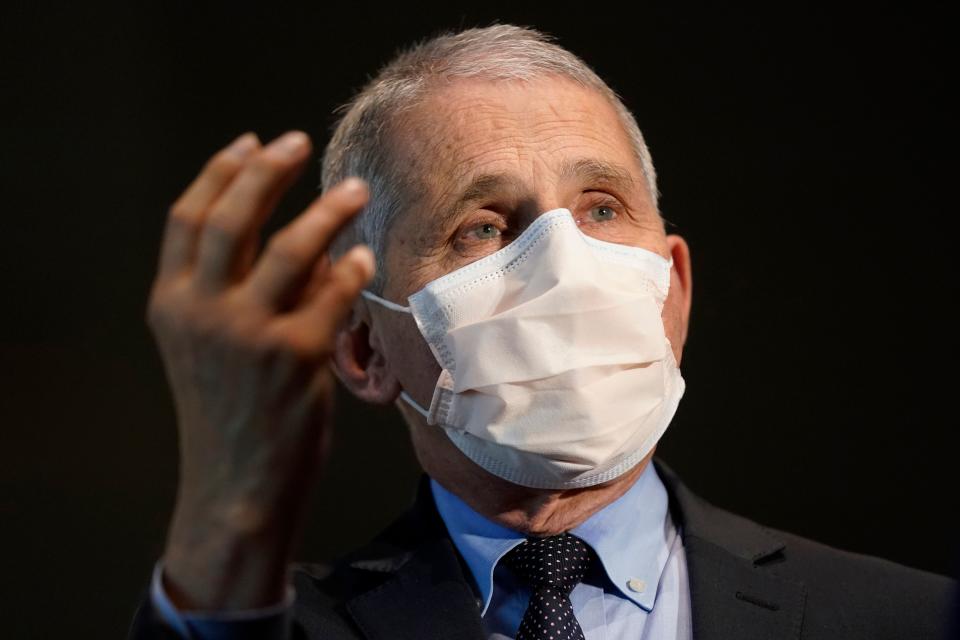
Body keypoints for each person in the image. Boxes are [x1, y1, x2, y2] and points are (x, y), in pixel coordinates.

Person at [128, 24, 956, 640]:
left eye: (601, 208)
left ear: (674, 293)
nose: (563, 262)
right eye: (482, 227)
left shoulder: (910, 619)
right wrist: (227, 512)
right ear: (363, 346)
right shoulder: (270, 624)